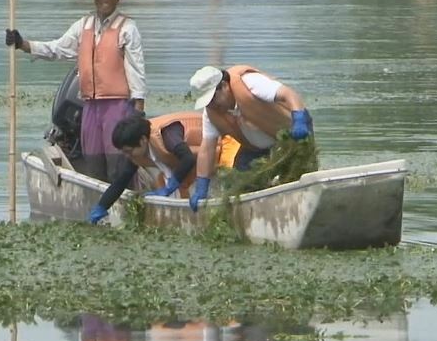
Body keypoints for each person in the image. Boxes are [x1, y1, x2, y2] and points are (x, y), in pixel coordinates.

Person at [5, 0, 146, 182]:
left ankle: (122, 202)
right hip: (90, 106)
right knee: (94, 163)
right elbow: (58, 49)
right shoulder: (84, 25)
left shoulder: (127, 28)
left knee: (117, 163)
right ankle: (97, 205)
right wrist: (23, 44)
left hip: (116, 106)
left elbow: (136, 69)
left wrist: (138, 109)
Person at [187, 65, 313, 211]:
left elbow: (289, 94)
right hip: (255, 149)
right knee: (238, 185)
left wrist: (299, 119)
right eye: (208, 102)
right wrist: (202, 185)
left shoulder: (250, 83)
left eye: (213, 99)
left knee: (295, 177)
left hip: (293, 134)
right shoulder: (211, 114)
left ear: (224, 86)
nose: (212, 105)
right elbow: (207, 149)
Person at [88, 113, 199, 224]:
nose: (127, 156)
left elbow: (188, 159)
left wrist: (169, 187)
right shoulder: (136, 148)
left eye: (129, 151)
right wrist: (102, 206)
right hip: (184, 165)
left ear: (143, 140)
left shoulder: (168, 134)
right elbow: (121, 181)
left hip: (205, 151)